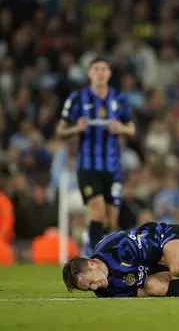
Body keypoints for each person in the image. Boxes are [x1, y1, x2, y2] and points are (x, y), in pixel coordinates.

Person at [56, 57, 135, 254]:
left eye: (104, 69)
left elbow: (132, 129)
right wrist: (76, 128)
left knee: (111, 220)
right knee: (97, 211)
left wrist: (121, 128)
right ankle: (94, 257)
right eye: (96, 69)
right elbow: (60, 130)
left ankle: (90, 241)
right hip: (88, 166)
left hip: (113, 167)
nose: (100, 72)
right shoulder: (77, 99)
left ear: (109, 74)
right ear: (89, 73)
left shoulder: (119, 99)